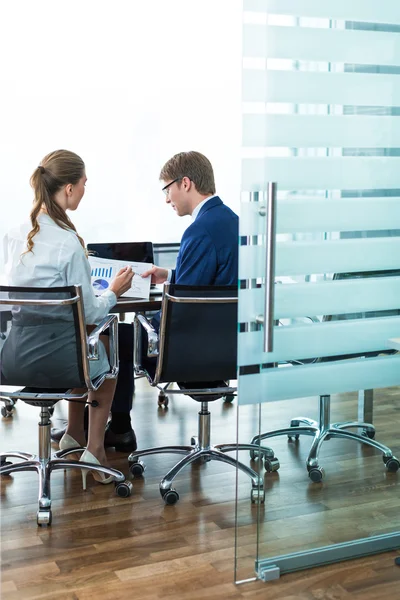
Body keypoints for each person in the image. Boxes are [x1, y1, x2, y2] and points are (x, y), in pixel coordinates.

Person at [1, 150, 134, 486]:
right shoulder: (69, 244)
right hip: (59, 364)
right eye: (84, 183)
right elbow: (89, 313)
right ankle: (95, 449)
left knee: (76, 339)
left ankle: (73, 433)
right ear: (70, 189)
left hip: (11, 362)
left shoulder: (11, 236)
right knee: (104, 343)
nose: (86, 190)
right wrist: (114, 291)